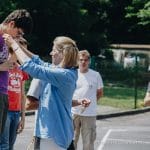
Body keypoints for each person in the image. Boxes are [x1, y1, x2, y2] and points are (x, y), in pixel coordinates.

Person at [4, 35, 80, 150]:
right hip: (55, 134)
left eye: (53, 50)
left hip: (53, 136)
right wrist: (19, 46)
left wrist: (14, 45)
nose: (51, 53)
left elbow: (34, 68)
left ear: (62, 54)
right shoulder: (63, 72)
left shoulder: (64, 75)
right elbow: (38, 61)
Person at [0, 9, 33, 135]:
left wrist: (16, 47)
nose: (18, 37)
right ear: (11, 24)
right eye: (18, 33)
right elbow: (3, 66)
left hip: (4, 93)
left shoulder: (7, 40)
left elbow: (9, 65)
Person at [0, 37, 29, 150]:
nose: (24, 55)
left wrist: (23, 117)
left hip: (16, 112)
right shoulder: (4, 64)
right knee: (4, 145)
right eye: (22, 51)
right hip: (5, 111)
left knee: (11, 145)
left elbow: (22, 94)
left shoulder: (22, 69)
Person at [71, 50, 104, 150]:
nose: (83, 62)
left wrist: (92, 103)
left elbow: (100, 93)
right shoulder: (72, 74)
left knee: (88, 143)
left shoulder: (96, 75)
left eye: (85, 60)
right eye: (81, 60)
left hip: (89, 114)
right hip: (73, 112)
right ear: (77, 61)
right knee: (71, 141)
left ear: (89, 61)